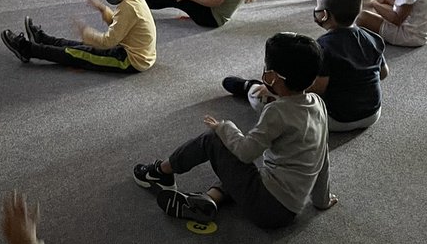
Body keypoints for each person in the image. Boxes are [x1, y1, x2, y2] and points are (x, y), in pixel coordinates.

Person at [133, 33, 336, 229]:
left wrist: (223, 127)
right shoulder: (318, 103)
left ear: (272, 77)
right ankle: (209, 199)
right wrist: (322, 200)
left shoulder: (277, 112)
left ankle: (161, 172)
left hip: (266, 206)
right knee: (244, 169)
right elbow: (321, 156)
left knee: (214, 140)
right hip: (289, 210)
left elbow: (246, 152)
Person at [223, 0, 388, 132]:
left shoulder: (323, 46)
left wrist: (277, 89)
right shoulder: (373, 38)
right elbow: (383, 73)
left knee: (268, 100)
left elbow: (316, 88)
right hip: (372, 114)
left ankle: (249, 87)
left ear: (324, 15)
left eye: (317, 7)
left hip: (335, 119)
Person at [0, 0, 156, 74]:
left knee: (78, 53)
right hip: (130, 49)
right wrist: (103, 9)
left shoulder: (128, 7)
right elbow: (120, 24)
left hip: (129, 60)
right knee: (82, 46)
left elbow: (108, 41)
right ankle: (42, 39)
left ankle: (26, 49)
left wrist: (86, 32)